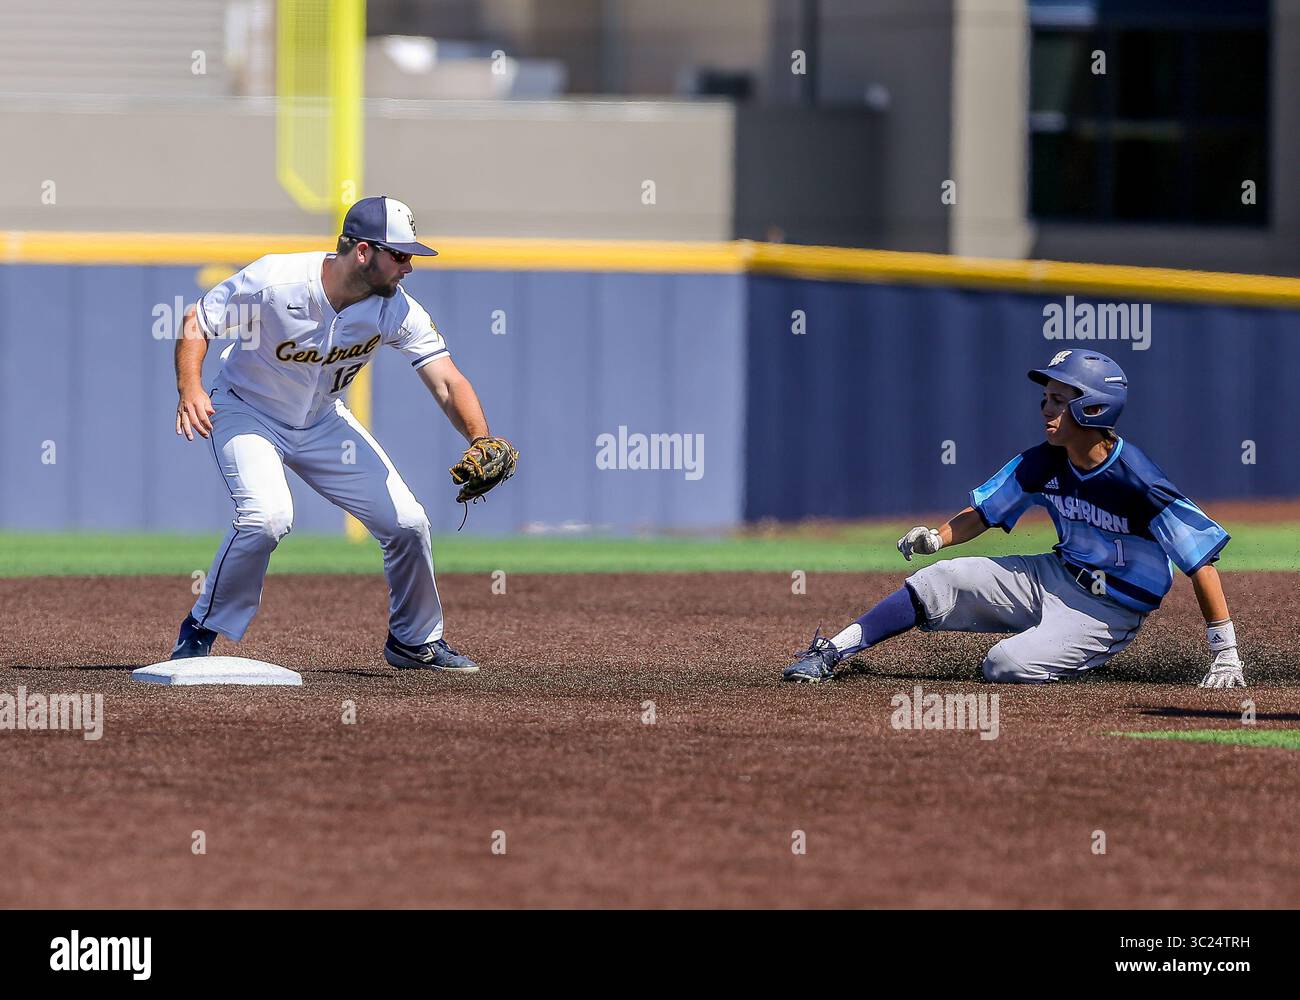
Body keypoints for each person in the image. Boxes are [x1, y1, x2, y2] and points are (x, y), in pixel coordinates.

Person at [171, 195, 516, 673]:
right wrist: (190, 386)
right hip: (247, 411)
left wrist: (481, 438)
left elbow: (447, 380)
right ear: (362, 251)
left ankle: (414, 641)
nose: (409, 266)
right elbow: (198, 320)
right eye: (399, 255)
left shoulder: (395, 310)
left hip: (321, 421)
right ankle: (201, 628)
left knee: (408, 523)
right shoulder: (276, 280)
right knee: (266, 517)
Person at [783, 350, 1246, 688]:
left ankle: (1062, 645)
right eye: (1046, 398)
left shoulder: (1137, 479)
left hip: (1110, 609)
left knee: (1003, 666)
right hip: (1053, 574)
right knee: (941, 578)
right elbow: (984, 513)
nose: (1046, 409)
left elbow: (1200, 561)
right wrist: (938, 537)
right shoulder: (1043, 461)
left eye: (1059, 399)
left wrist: (1224, 653)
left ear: (1095, 407)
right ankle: (834, 651)